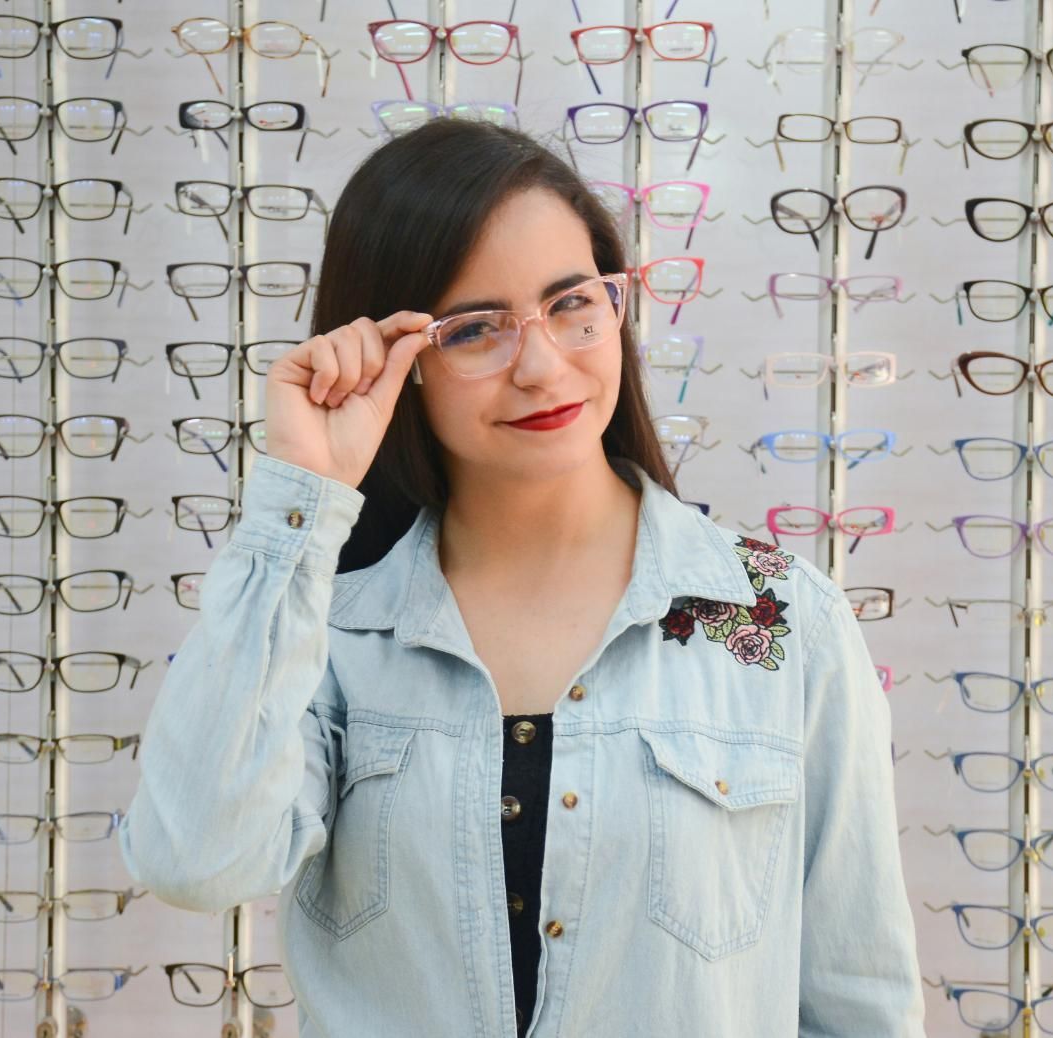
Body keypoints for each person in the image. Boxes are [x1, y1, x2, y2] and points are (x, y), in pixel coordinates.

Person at [120, 118, 924, 1037]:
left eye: (573, 303)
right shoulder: (335, 635)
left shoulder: (778, 622)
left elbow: (859, 1002)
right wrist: (304, 492)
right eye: (475, 330)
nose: (543, 367)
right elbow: (194, 859)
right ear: (398, 360)